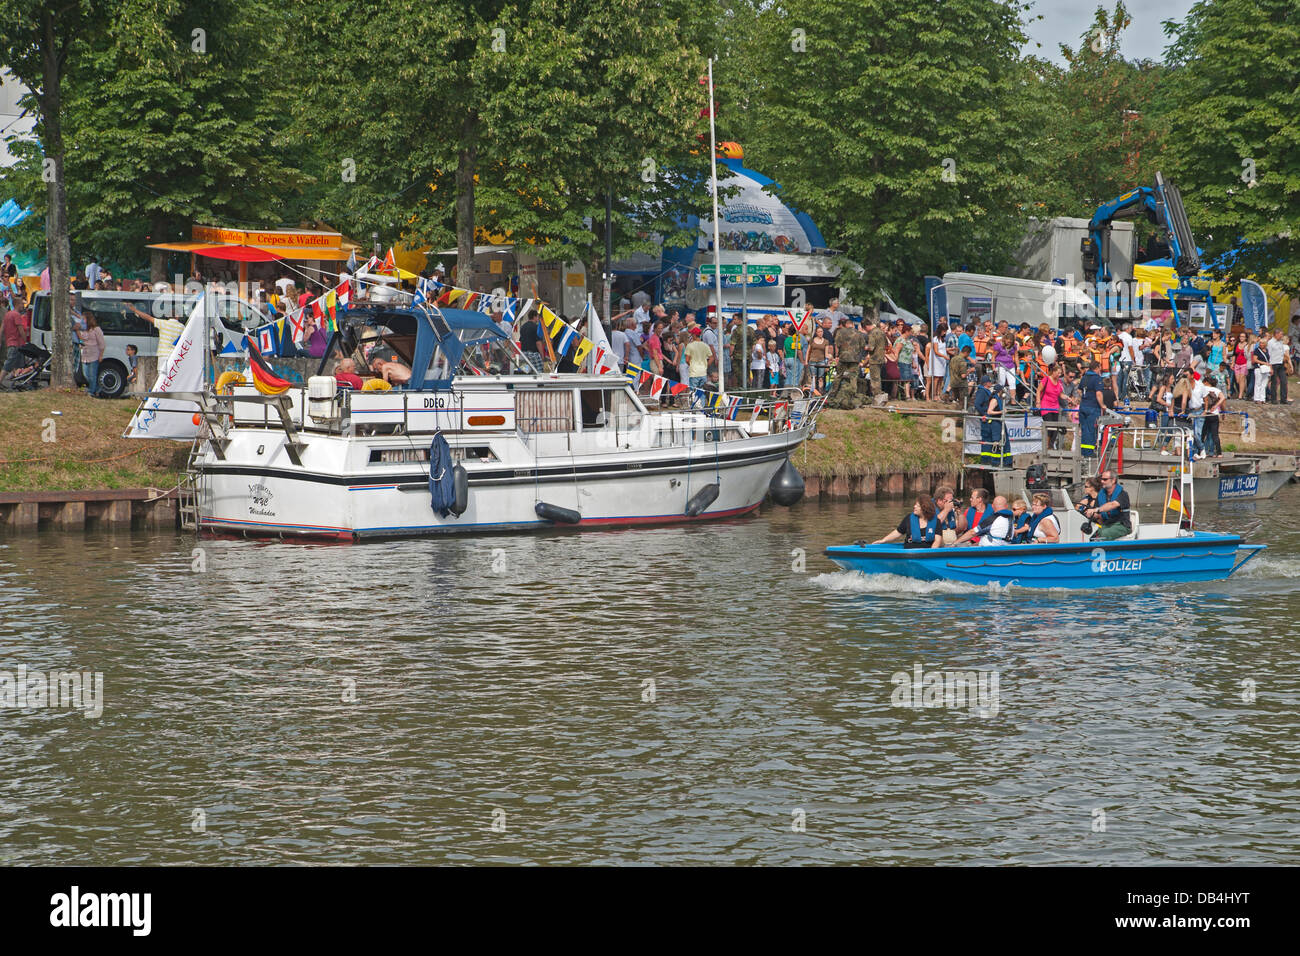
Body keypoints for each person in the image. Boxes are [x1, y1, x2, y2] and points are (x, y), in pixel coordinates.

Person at [870, 494, 942, 549]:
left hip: (926, 553)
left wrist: (929, 554)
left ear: (924, 508)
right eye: (915, 505)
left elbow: (937, 541)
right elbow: (898, 532)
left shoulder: (936, 522)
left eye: (917, 506)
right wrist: (883, 540)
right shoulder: (909, 519)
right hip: (909, 552)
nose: (914, 507)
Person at [973, 375, 1010, 467]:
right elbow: (977, 404)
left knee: (992, 440)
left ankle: (993, 460)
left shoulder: (989, 394)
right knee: (990, 439)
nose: (991, 383)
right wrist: (984, 414)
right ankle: (991, 461)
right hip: (990, 419)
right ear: (987, 383)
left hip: (992, 420)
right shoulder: (982, 392)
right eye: (990, 382)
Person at [1086, 470, 1131, 540]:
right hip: (1107, 525)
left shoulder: (1123, 494)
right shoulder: (1101, 495)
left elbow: (1112, 504)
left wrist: (1096, 510)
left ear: (1113, 480)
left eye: (1105, 479)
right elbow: (1098, 514)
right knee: (1091, 535)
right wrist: (1091, 514)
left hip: (1122, 525)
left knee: (1104, 534)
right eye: (1101, 479)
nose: (1102, 481)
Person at [1077, 359, 1107, 458]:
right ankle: (1089, 454)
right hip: (1093, 407)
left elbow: (1079, 390)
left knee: (1084, 429)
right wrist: (1102, 405)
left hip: (1083, 406)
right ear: (1097, 368)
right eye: (1100, 368)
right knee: (1091, 430)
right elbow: (1098, 394)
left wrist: (1085, 398)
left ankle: (1084, 452)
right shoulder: (1097, 379)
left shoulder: (1084, 377)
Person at [77, 310, 106, 397]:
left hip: (94, 355)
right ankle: (98, 388)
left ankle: (91, 391)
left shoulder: (96, 329)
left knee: (92, 375)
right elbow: (81, 339)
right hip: (85, 355)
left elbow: (102, 343)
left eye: (84, 319)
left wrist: (101, 355)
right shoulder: (82, 330)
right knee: (86, 375)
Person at [1037, 363, 1063, 450]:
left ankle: (1050, 445)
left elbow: (1060, 394)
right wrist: (1038, 402)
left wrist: (1068, 398)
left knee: (1056, 428)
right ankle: (1047, 446)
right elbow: (1038, 390)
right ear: (1054, 372)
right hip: (1046, 406)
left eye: (1060, 373)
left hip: (1055, 406)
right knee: (1050, 426)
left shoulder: (1059, 382)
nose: (1059, 375)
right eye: (1058, 373)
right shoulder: (1046, 379)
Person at [1267, 328, 1291, 404]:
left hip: (1280, 363)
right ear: (1276, 334)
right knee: (1274, 382)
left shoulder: (1280, 342)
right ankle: (1273, 399)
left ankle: (1283, 399)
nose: (1282, 336)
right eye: (1281, 334)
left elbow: (1282, 352)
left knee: (1284, 381)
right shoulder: (1270, 342)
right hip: (1273, 363)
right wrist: (1270, 366)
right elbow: (1269, 354)